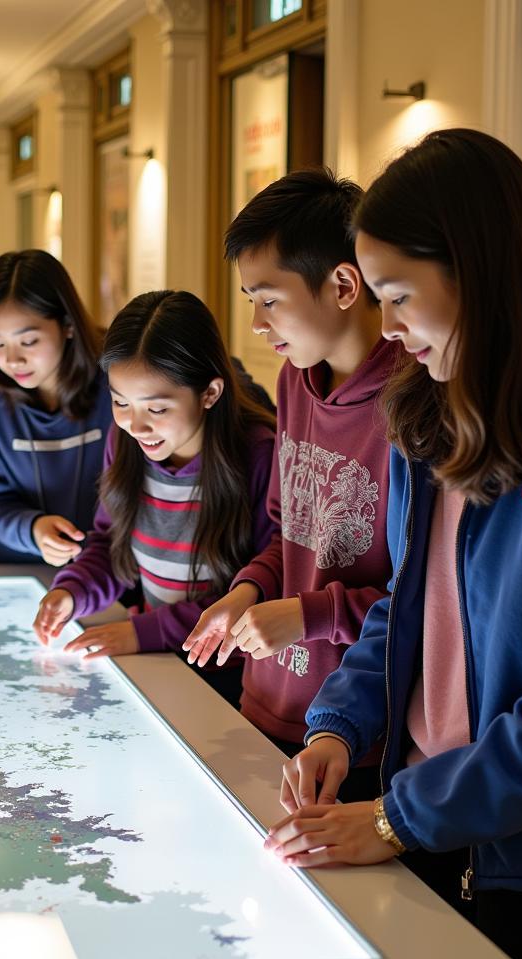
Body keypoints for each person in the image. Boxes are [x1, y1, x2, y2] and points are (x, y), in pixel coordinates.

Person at [266, 129, 522, 959]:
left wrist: (401, 818)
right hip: (429, 822)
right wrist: (336, 727)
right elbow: (410, 605)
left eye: (400, 297)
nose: (388, 327)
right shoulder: (431, 405)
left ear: (479, 271)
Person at [181, 169, 400, 800]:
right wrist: (246, 591)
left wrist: (309, 615)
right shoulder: (292, 380)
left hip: (356, 729)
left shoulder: (410, 403)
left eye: (269, 299)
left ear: (342, 284)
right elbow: (290, 532)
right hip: (268, 693)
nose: (255, 323)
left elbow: (418, 599)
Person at [32, 290, 276, 706]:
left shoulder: (258, 454)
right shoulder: (125, 443)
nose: (135, 425)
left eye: (157, 409)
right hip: (160, 661)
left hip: (239, 680)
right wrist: (71, 592)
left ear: (210, 393)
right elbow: (111, 546)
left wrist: (141, 632)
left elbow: (266, 582)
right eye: (120, 402)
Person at [0, 249, 111, 564]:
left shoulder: (116, 375)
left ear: (67, 325)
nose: (12, 359)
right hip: (17, 566)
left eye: (28, 341)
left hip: (107, 570)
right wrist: (32, 529)